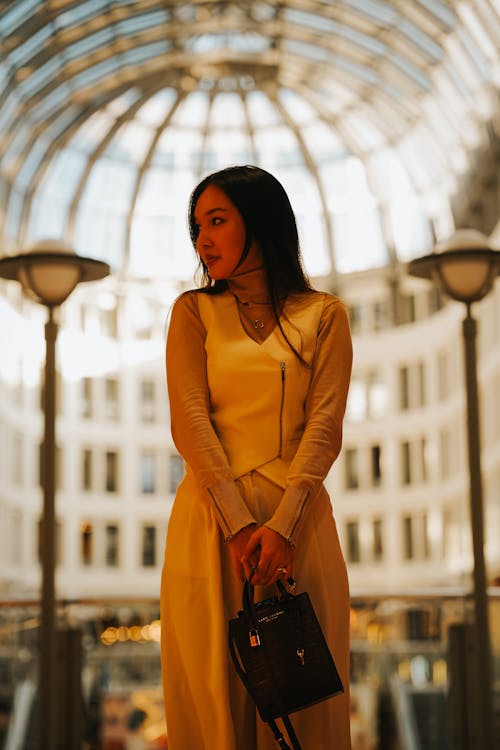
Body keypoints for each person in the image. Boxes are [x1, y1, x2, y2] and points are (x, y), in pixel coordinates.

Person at [161, 165, 353, 750]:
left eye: (218, 221)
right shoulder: (192, 312)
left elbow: (324, 428)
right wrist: (241, 525)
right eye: (198, 227)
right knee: (212, 698)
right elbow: (190, 423)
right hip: (211, 524)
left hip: (299, 527)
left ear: (262, 221)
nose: (204, 240)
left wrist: (284, 524)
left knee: (304, 703)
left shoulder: (323, 315)